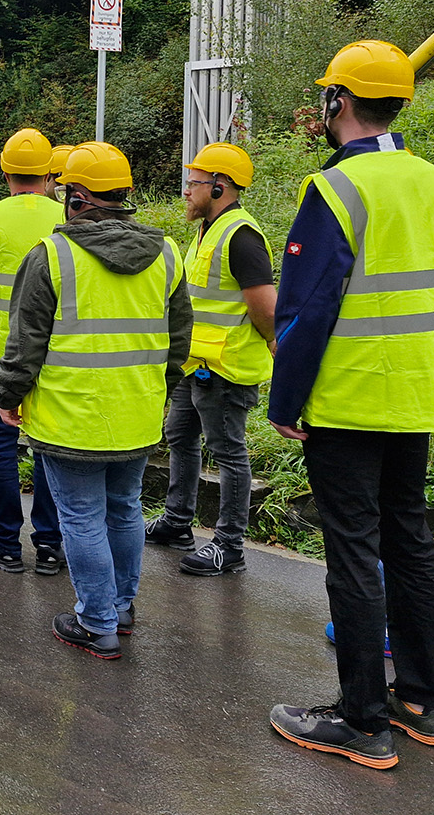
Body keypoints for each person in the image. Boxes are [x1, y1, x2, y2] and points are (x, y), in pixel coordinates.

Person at [267, 41, 434, 769]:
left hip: (347, 400)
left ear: (337, 102)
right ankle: (421, 702)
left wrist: (286, 401)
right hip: (417, 394)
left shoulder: (338, 191)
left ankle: (361, 721)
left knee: (352, 552)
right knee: (409, 546)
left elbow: (307, 311)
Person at [0, 141, 192, 659]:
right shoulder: (167, 253)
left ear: (77, 199)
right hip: (138, 414)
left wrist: (7, 395)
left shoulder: (52, 256)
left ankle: (96, 621)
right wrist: (156, 390)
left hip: (69, 418)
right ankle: (122, 608)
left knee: (80, 517)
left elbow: (24, 345)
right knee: (124, 510)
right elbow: (179, 340)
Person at [145, 142, 275, 575]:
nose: (186, 191)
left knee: (228, 452)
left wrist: (277, 345)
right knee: (179, 435)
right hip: (196, 364)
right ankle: (179, 521)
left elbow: (265, 307)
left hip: (225, 368)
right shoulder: (207, 231)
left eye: (194, 183)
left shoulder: (241, 236)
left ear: (219, 187)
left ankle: (229, 544)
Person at [0, 129, 66, 576]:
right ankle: (49, 543)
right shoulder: (67, 217)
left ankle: (5, 542)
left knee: (0, 445)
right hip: (49, 352)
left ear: (4, 172)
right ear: (49, 175)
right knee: (46, 446)